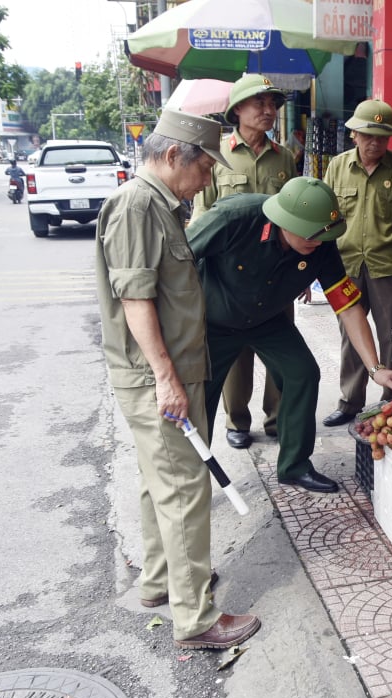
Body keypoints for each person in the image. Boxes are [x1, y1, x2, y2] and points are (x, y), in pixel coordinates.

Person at [94, 107, 260, 650]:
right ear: (172, 157)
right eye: (204, 167)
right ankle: (197, 618)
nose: (209, 177)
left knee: (158, 481)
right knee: (186, 489)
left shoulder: (161, 205)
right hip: (156, 377)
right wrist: (166, 378)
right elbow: (135, 297)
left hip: (172, 370)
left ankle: (161, 582)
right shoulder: (138, 205)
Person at [187, 177, 392, 493]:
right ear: (285, 222)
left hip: (268, 320)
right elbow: (176, 260)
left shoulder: (321, 242)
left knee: (302, 373)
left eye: (324, 235)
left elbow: (348, 307)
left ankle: (294, 466)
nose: (318, 242)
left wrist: (376, 369)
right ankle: (190, 482)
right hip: (214, 322)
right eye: (313, 235)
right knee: (200, 397)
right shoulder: (234, 218)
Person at [191, 74, 298, 451]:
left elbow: (295, 214)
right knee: (236, 354)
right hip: (229, 277)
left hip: (275, 274)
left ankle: (276, 417)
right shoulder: (216, 155)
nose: (270, 111)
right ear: (238, 109)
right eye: (261, 104)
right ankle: (237, 421)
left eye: (273, 105)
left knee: (282, 349)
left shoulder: (284, 157)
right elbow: (202, 216)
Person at [321, 99, 392, 428]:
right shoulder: (336, 167)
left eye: (382, 136)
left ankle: (389, 401)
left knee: (389, 335)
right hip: (346, 267)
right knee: (350, 335)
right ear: (354, 134)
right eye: (368, 135)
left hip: (388, 268)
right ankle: (350, 400)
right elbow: (324, 217)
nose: (375, 142)